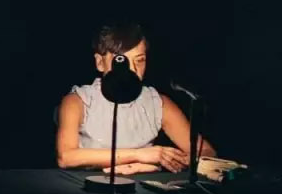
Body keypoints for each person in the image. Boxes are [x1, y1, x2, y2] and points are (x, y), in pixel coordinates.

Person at [55, 22, 216, 174]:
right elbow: (66, 157)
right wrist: (139, 155)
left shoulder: (158, 103)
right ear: (100, 62)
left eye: (139, 60)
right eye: (121, 61)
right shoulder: (77, 101)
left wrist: (171, 160)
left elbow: (208, 153)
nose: (132, 69)